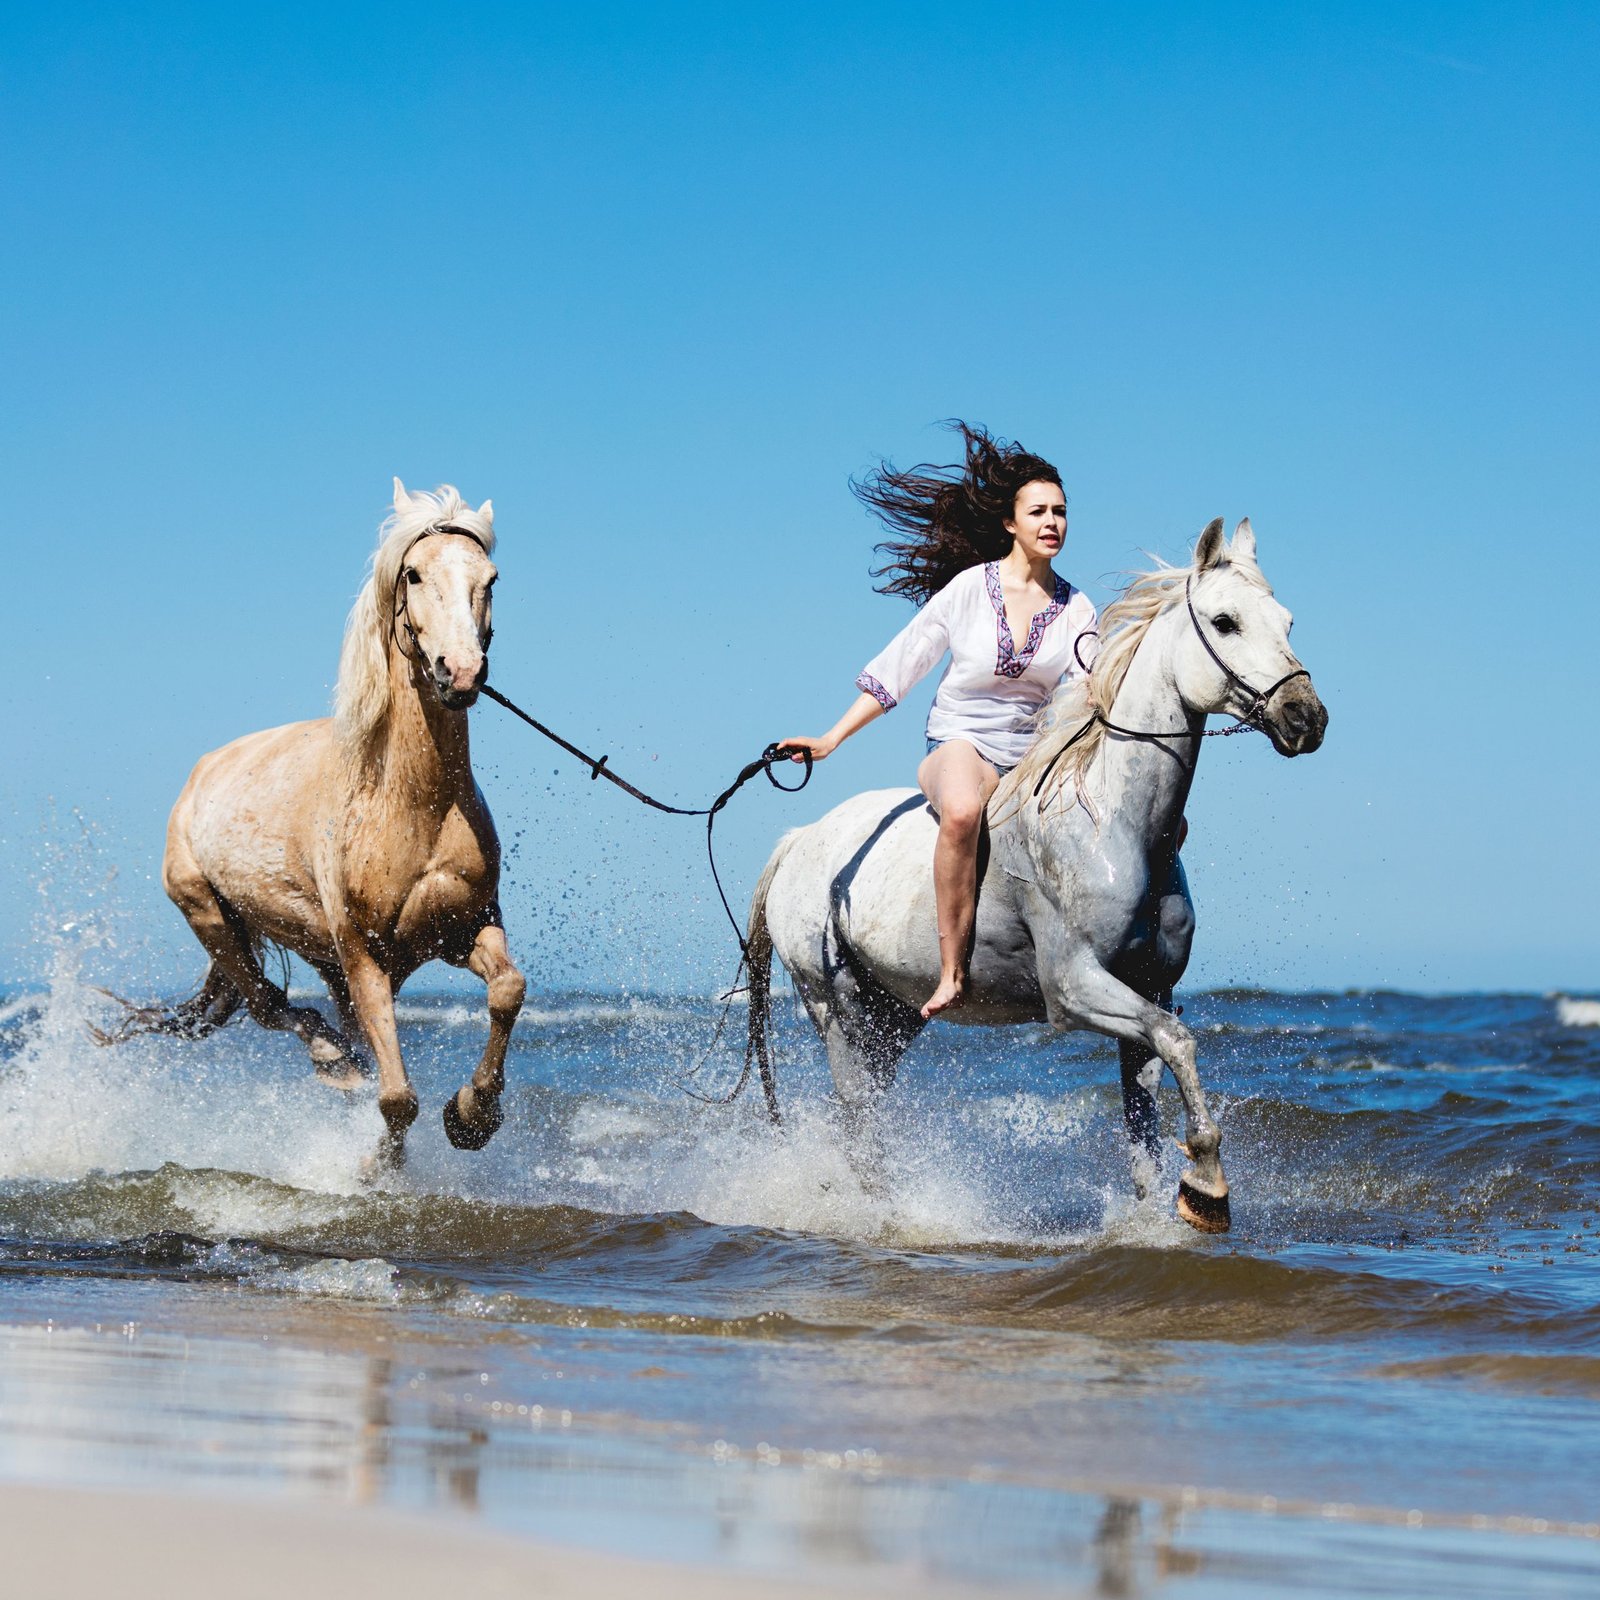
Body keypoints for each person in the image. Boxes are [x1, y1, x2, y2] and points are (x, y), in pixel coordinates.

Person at [781, 424, 1098, 1019]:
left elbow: (1084, 695)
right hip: (961, 741)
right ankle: (952, 970)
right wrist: (830, 740)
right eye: (1038, 512)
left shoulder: (1078, 609)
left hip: (1033, 753)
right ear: (1011, 522)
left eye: (1060, 512)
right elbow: (900, 669)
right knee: (961, 812)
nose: (1052, 522)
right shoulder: (968, 591)